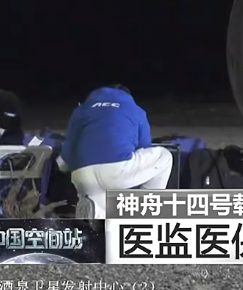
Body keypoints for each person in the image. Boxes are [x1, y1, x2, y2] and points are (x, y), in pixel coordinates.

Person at [60, 85, 172, 218]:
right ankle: (144, 211)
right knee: (164, 156)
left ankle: (97, 211)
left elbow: (65, 157)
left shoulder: (81, 110)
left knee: (100, 202)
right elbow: (144, 148)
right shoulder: (136, 110)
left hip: (83, 177)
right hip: (117, 170)